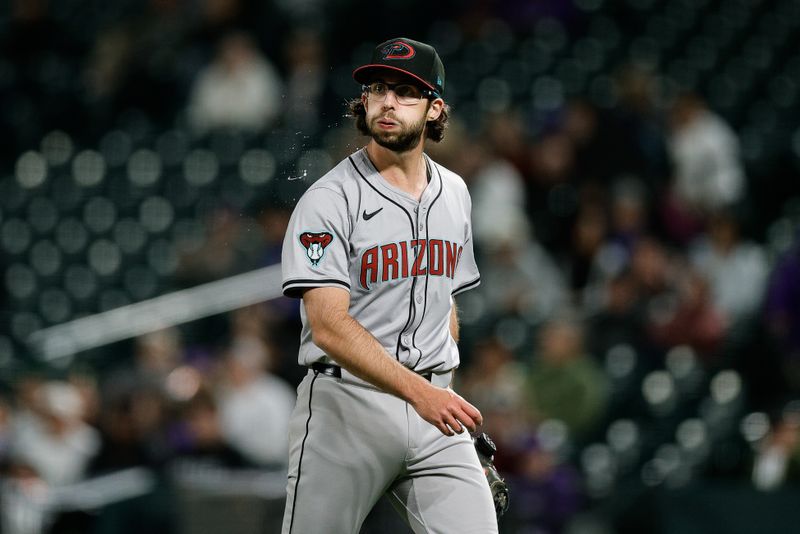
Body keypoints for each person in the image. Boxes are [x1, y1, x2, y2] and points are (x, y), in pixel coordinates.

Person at [280, 37, 498, 533]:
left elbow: (445, 301)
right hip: (346, 408)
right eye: (378, 89)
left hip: (433, 409)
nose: (387, 102)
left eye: (405, 92)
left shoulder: (456, 193)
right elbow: (329, 326)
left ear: (435, 109)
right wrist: (420, 393)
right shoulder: (328, 200)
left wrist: (437, 388)